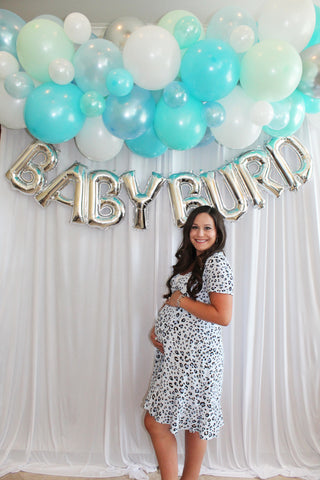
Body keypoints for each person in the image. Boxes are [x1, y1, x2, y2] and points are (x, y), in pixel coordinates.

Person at [143, 205, 234, 480]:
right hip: (177, 357)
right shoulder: (191, 260)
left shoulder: (217, 262)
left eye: (207, 228)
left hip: (197, 359)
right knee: (185, 421)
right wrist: (157, 329)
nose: (200, 233)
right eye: (195, 227)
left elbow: (223, 316)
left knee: (165, 422)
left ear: (217, 233)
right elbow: (176, 301)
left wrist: (181, 301)